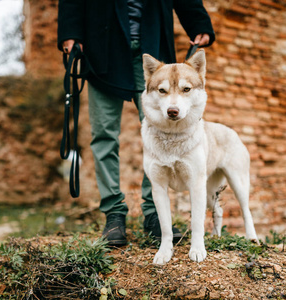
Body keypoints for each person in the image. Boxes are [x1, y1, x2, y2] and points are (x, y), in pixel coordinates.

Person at [57, 0, 215, 246]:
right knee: (103, 134)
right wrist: (70, 31)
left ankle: (153, 214)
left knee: (162, 133)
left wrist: (198, 22)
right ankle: (114, 214)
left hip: (153, 44)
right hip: (102, 46)